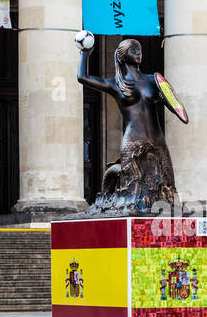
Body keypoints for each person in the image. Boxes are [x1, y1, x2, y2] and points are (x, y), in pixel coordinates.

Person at [76, 37, 184, 214]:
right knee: (132, 190)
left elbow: (173, 102)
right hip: (133, 141)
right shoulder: (116, 84)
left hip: (157, 139)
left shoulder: (153, 80)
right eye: (134, 50)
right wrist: (85, 53)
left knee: (166, 187)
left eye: (140, 50)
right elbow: (82, 77)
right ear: (123, 56)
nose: (139, 53)